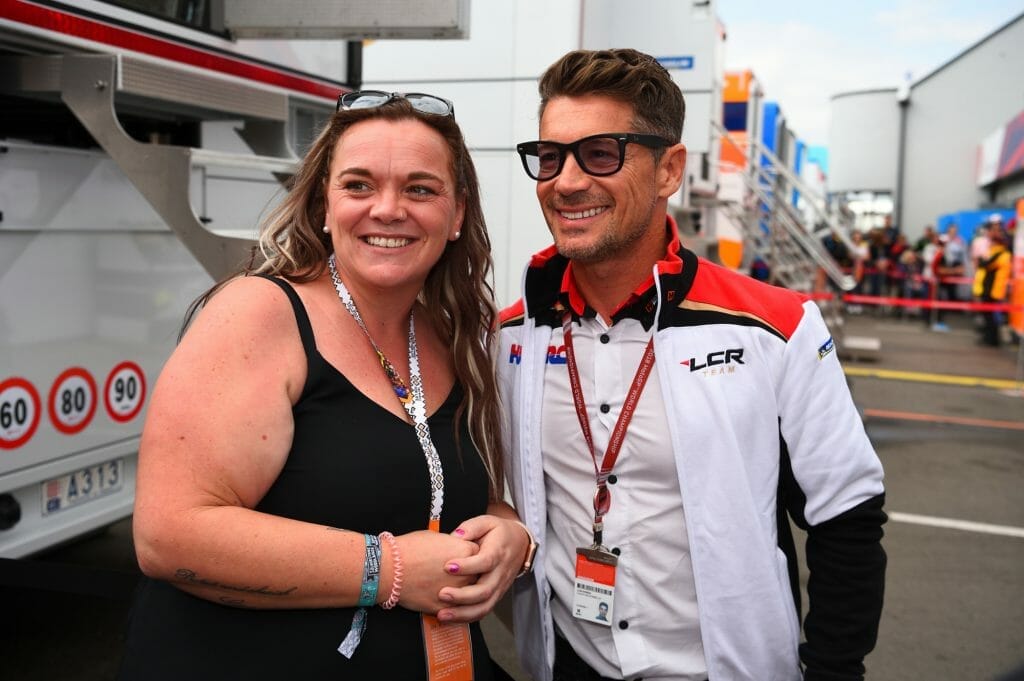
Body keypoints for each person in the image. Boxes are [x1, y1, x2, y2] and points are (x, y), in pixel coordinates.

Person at [499, 49, 886, 681]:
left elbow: (848, 519)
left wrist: (834, 672)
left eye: (600, 153)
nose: (565, 181)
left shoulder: (778, 325)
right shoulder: (509, 335)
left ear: (668, 169)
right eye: (550, 156)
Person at [118, 91, 532, 680]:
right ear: (321, 204)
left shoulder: (452, 333)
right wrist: (389, 569)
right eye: (359, 185)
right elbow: (168, 533)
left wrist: (511, 534)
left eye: (420, 188)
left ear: (457, 213)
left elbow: (424, 490)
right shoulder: (260, 313)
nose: (388, 209)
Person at [973, 224, 1012, 346]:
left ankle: (992, 340)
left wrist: (982, 259)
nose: (991, 243)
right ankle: (988, 338)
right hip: (990, 289)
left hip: (993, 290)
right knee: (988, 315)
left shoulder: (1001, 254)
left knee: (992, 317)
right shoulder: (996, 253)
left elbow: (984, 264)